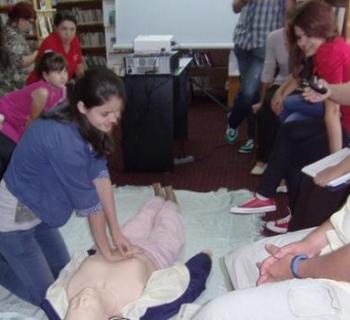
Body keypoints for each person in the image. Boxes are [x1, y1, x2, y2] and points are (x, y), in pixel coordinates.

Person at [0, 68, 131, 307]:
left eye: (117, 112)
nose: (113, 119)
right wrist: (106, 250)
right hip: (12, 217)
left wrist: (117, 232)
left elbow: (100, 178)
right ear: (82, 107)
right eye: (106, 113)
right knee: (49, 298)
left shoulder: (90, 126)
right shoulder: (63, 139)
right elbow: (92, 205)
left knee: (65, 275)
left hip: (40, 210)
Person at [230, 0, 350, 233]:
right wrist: (282, 93)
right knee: (290, 133)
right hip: (342, 122)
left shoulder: (330, 53)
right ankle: (273, 200)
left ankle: (275, 202)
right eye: (298, 37)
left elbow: (332, 111)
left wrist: (336, 160)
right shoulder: (326, 47)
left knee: (295, 144)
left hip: (345, 128)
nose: (302, 42)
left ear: (321, 28)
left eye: (307, 36)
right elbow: (303, 76)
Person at [42, 184, 212, 320]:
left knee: (142, 218)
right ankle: (170, 202)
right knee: (169, 224)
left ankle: (158, 198)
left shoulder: (62, 297)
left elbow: (66, 274)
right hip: (155, 254)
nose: (80, 299)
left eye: (73, 306)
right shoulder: (134, 307)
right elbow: (180, 293)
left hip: (119, 245)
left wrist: (95, 250)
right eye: (85, 308)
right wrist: (203, 260)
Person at [192, 194, 350, 320]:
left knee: (215, 314)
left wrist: (296, 267)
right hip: (341, 239)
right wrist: (310, 243)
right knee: (244, 260)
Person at [225, 0, 295, 153]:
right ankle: (252, 137)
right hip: (242, 41)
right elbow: (235, 8)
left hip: (264, 43)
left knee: (249, 91)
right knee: (250, 92)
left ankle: (235, 122)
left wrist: (286, 40)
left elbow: (290, 13)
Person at [0, 51, 68, 181]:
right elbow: (32, 121)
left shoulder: (61, 90)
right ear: (45, 75)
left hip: (18, 123)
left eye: (64, 71)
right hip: (5, 116)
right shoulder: (42, 92)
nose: (63, 76)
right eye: (58, 72)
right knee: (10, 154)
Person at [251, 25, 290, 175]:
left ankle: (284, 165)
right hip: (281, 82)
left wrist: (282, 94)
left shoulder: (308, 37)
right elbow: (268, 69)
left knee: (286, 107)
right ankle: (263, 159)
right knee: (267, 105)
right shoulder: (274, 37)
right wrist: (261, 100)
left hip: (303, 85)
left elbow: (300, 74)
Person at [26, 11, 84, 84]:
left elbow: (80, 69)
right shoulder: (49, 43)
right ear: (55, 28)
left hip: (61, 85)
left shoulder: (75, 40)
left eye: (72, 29)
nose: (68, 34)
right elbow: (49, 78)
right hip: (41, 87)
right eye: (64, 29)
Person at [0, 2, 38, 93]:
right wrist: (37, 53)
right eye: (30, 22)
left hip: (18, 82)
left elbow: (19, 48)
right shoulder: (10, 34)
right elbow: (19, 62)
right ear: (21, 20)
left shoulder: (15, 31)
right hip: (13, 86)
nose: (30, 26)